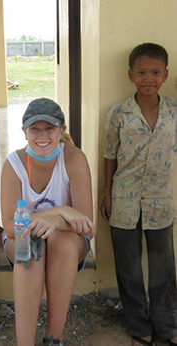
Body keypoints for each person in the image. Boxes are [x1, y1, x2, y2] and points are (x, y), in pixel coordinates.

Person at [1, 97, 95, 346]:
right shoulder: (14, 164)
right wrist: (60, 212)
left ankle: (54, 338)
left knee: (61, 242)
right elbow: (11, 227)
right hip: (21, 239)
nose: (42, 136)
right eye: (34, 129)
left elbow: (87, 225)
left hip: (67, 241)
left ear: (61, 131)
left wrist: (56, 224)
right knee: (29, 245)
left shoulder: (74, 158)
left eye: (50, 129)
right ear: (24, 132)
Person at [101, 43, 177, 346]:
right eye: (142, 72)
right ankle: (137, 324)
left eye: (156, 72)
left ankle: (167, 325)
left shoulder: (173, 111)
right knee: (129, 267)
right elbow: (109, 154)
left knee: (163, 267)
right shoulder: (119, 113)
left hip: (161, 200)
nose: (149, 78)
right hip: (124, 199)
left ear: (166, 75)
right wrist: (106, 192)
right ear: (131, 74)